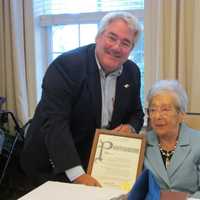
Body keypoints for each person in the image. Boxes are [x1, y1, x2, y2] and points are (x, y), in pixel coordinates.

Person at [20, 11, 144, 188]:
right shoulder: (66, 66)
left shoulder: (132, 72)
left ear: (131, 49)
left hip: (97, 163)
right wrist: (77, 174)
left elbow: (136, 112)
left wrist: (130, 127)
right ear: (98, 37)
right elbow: (55, 123)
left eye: (125, 43)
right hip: (52, 163)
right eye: (112, 38)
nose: (117, 47)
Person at [144, 80, 200, 197]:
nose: (157, 116)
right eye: (153, 110)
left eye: (165, 109)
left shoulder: (197, 142)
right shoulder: (142, 142)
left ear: (181, 115)